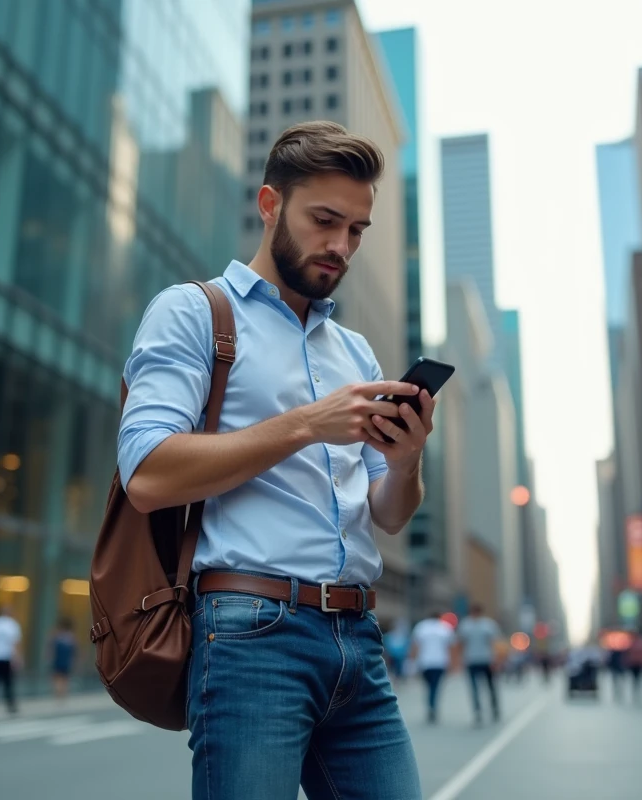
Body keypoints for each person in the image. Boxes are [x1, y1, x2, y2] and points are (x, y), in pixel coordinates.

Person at [117, 121, 435, 799]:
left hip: (358, 640)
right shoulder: (193, 313)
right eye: (325, 220)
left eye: (356, 230)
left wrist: (406, 462)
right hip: (251, 635)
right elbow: (145, 473)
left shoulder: (355, 354)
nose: (340, 245)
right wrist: (305, 425)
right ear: (270, 205)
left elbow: (390, 513)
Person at [456, 603, 501, 726]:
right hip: (471, 660)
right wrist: (460, 659)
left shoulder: (488, 625)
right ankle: (477, 711)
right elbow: (461, 644)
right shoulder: (466, 625)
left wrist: (495, 659)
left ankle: (494, 708)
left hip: (486, 660)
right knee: (474, 688)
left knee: (491, 686)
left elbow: (493, 643)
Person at [410, 612, 455, 725]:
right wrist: (452, 663)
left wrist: (412, 660)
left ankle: (431, 705)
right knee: (435, 686)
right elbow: (450, 647)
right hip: (440, 662)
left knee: (428, 686)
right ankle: (432, 706)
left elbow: (416, 646)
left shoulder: (421, 627)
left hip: (424, 662)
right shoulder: (445, 628)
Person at [49, 617, 76, 700]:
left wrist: (50, 656)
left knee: (58, 676)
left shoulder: (57, 635)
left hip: (59, 659)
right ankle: (62, 693)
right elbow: (74, 650)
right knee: (64, 677)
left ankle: (59, 693)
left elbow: (51, 647)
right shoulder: (70, 637)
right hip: (65, 660)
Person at [625, 633, 642, 704]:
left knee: (636, 679)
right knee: (636, 679)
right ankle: (636, 690)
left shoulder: (636, 643)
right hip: (635, 664)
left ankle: (636, 690)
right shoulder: (637, 643)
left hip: (637, 664)